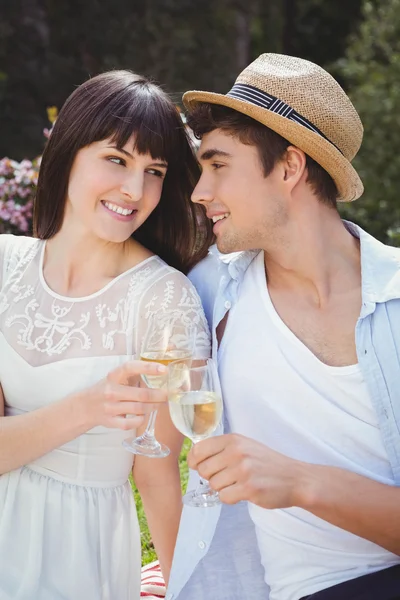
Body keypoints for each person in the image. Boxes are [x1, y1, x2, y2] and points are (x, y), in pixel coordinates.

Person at [167, 54, 400, 600]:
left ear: (291, 167)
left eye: (219, 165)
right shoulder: (207, 294)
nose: (200, 192)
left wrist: (298, 482)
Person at [0, 70, 212, 600]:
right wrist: (90, 408)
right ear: (67, 152)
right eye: (116, 160)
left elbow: (156, 477)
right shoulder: (3, 265)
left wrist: (191, 587)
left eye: (155, 170)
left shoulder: (165, 299)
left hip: (83, 554)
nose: (134, 190)